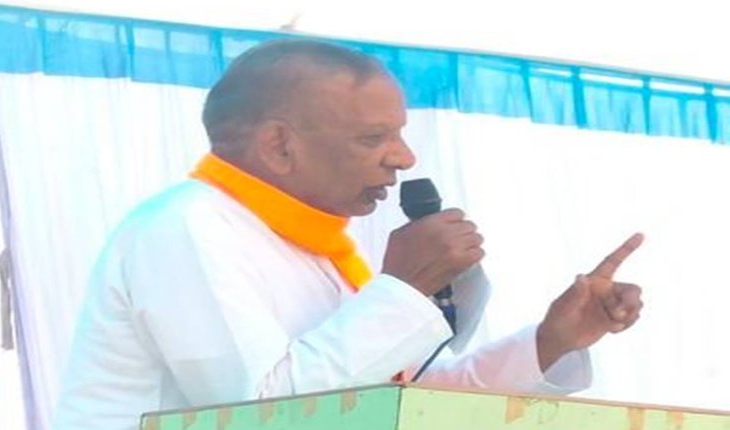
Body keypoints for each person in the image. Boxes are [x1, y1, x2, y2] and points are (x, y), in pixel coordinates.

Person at [52, 39, 644, 430]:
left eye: (400, 135)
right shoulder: (186, 228)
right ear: (279, 145)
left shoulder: (316, 248)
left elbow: (397, 401)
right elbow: (262, 414)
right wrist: (404, 289)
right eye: (372, 138)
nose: (404, 158)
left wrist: (551, 342)